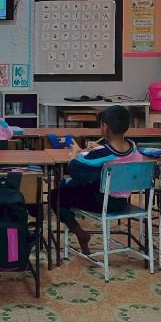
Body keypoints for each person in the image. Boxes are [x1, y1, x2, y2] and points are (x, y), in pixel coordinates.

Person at [50, 105, 144, 254]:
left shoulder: (101, 153)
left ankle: (79, 232)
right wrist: (99, 147)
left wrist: (75, 152)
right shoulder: (134, 150)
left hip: (103, 202)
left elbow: (74, 169)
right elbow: (116, 155)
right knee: (77, 185)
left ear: (105, 128)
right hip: (122, 202)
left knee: (56, 195)